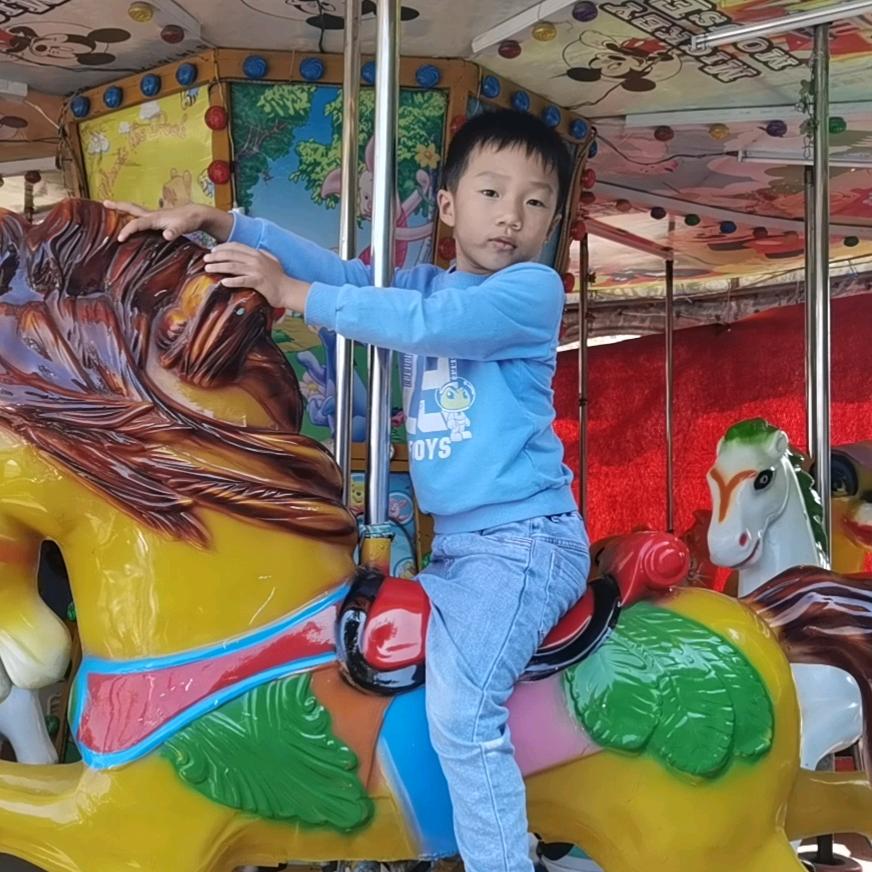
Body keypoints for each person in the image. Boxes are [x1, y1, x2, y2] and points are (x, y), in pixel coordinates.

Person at [107, 108, 590, 872]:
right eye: (493, 193)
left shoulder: (529, 292)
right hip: (461, 549)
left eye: (535, 203)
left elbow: (428, 323)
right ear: (447, 207)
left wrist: (292, 294)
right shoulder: (425, 283)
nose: (512, 217)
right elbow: (347, 276)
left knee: (464, 713)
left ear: (552, 223)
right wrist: (224, 220)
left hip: (524, 545)